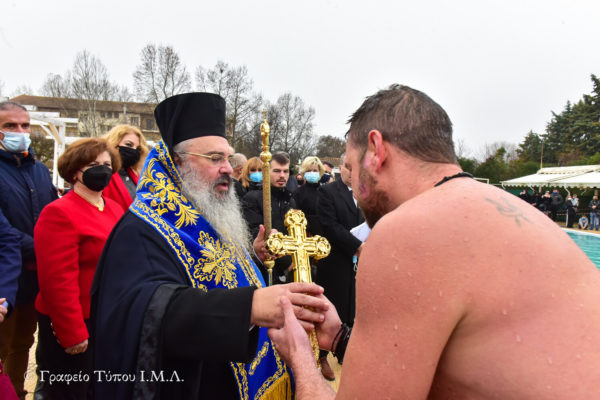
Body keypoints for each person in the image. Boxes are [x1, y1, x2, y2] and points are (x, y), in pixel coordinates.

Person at [268, 84, 600, 399]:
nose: (352, 184)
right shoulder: (520, 214)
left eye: (352, 168)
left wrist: (301, 358)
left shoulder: (406, 232)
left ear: (376, 150)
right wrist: (340, 338)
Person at [90, 93, 327, 400]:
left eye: (228, 158)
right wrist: (249, 307)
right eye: (215, 158)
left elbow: (220, 274)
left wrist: (254, 257)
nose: (228, 168)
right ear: (177, 163)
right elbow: (149, 312)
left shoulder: (207, 210)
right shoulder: (140, 230)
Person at [34, 138, 125, 398]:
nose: (103, 170)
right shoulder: (58, 212)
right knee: (69, 391)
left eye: (107, 164)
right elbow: (57, 281)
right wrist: (72, 333)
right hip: (74, 321)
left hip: (105, 318)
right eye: (94, 165)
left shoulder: (114, 208)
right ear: (75, 171)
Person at [0, 101, 58, 399]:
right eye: (10, 126)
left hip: (35, 278)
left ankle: (16, 393)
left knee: (23, 343)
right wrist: (43, 248)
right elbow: (3, 232)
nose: (20, 132)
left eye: (25, 125)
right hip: (5, 277)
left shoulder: (40, 170)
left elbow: (54, 216)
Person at [313, 153, 364, 380]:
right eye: (347, 167)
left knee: (354, 307)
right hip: (335, 260)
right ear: (340, 168)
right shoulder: (328, 192)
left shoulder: (366, 192)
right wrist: (357, 246)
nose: (352, 172)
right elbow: (330, 225)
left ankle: (346, 352)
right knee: (330, 306)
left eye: (356, 168)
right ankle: (322, 355)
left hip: (360, 262)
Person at [243, 152, 296, 283]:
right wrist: (286, 262)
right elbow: (255, 232)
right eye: (277, 171)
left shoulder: (290, 201)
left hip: (289, 270)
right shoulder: (253, 198)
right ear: (266, 172)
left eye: (285, 171)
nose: (282, 175)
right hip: (265, 268)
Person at [102, 124, 149, 210]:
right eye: (128, 144)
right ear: (113, 143)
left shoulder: (134, 176)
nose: (133, 150)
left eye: (138, 149)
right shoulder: (102, 175)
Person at [293, 156, 326, 236]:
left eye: (315, 170)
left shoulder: (326, 191)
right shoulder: (298, 193)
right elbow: (296, 217)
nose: (312, 173)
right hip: (306, 235)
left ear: (320, 172)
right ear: (304, 172)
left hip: (326, 235)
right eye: (308, 170)